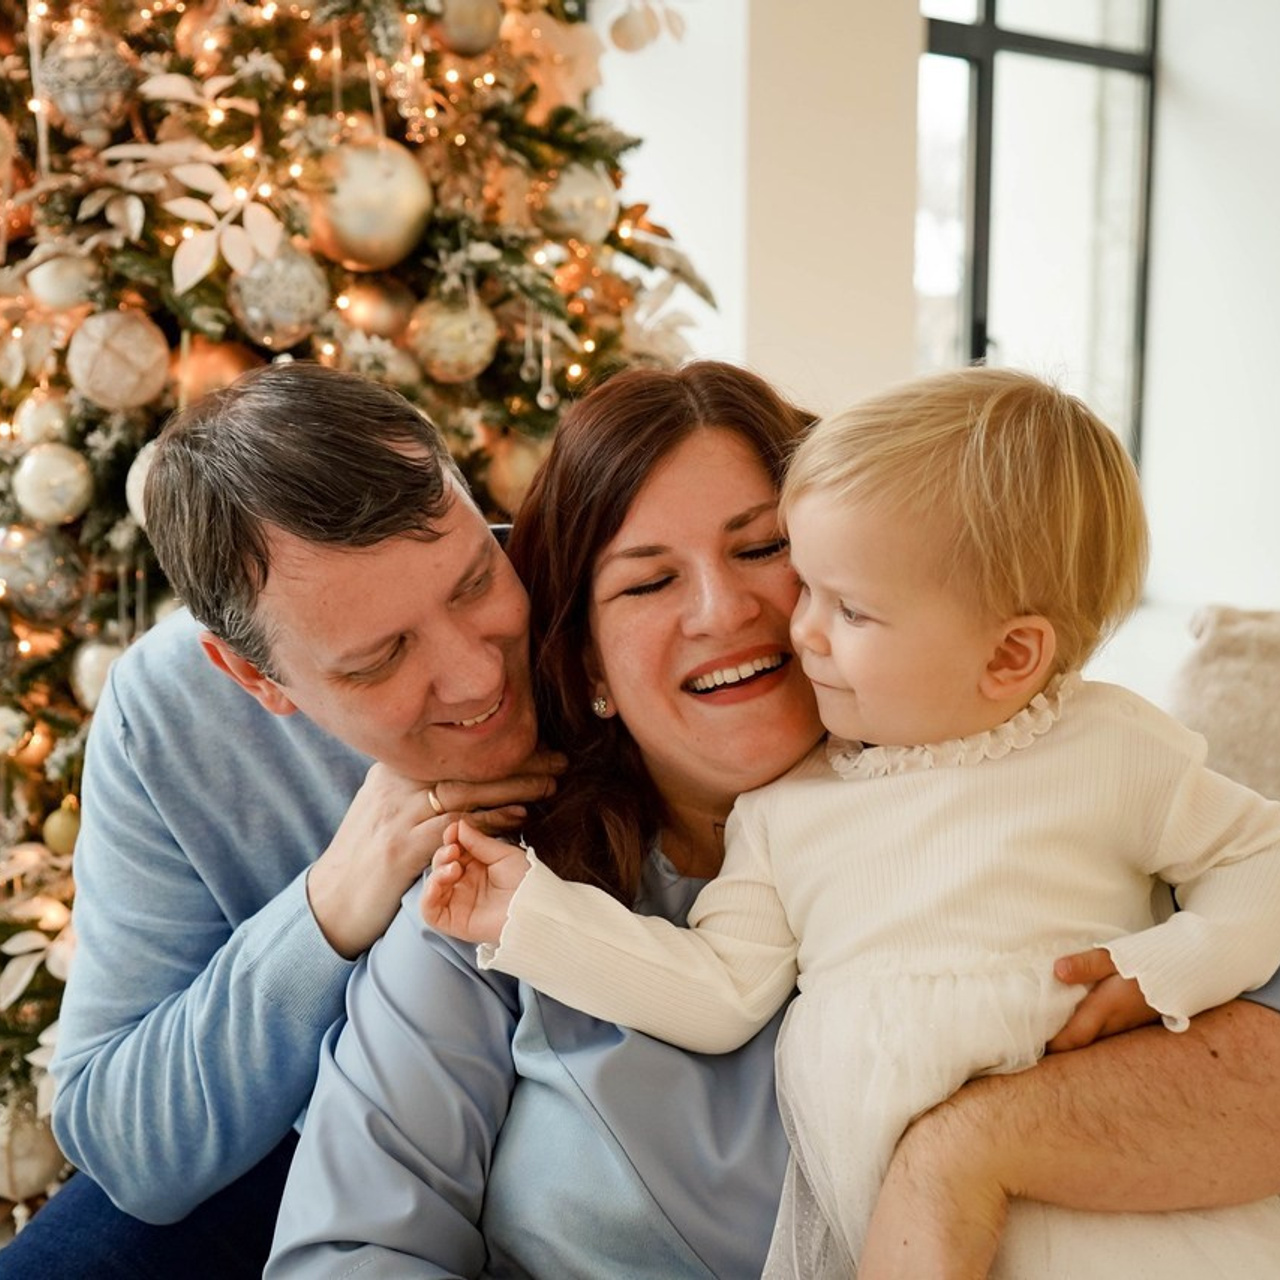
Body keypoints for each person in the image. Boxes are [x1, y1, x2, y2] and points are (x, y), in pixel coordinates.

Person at [425, 366, 1280, 1278]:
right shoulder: (784, 812)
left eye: (848, 606)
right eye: (815, 590)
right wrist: (530, 916)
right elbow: (720, 991)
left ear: (1011, 654)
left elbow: (1259, 856)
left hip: (1098, 1160)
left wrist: (1175, 967)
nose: (800, 632)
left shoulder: (1106, 742)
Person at [6, 363, 560, 1278]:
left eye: (471, 583)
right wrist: (336, 898)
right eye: (380, 658)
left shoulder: (593, 588)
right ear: (254, 678)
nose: (475, 677)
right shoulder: (170, 712)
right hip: (312, 1133)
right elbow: (123, 1136)